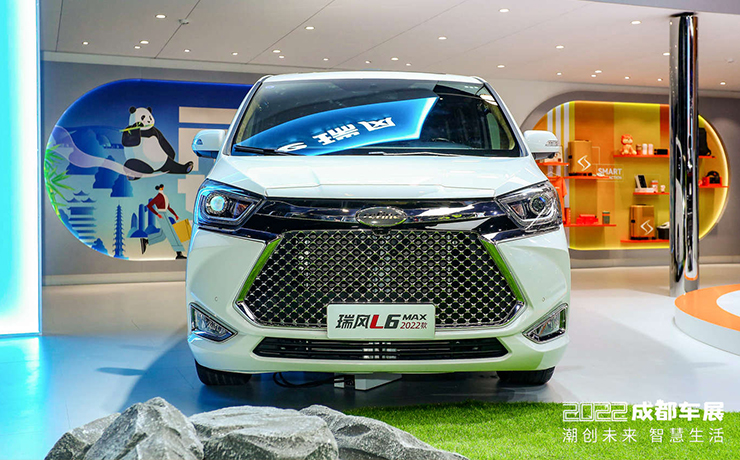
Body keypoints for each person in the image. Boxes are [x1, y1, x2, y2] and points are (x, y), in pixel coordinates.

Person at [141, 184, 186, 259]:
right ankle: (179, 254)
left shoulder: (165, 197)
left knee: (162, 236)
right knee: (172, 234)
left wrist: (175, 215)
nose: (161, 188)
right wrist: (157, 214)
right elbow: (149, 205)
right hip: (162, 215)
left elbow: (168, 208)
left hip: (164, 214)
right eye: (161, 187)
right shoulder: (158, 197)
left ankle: (146, 241)